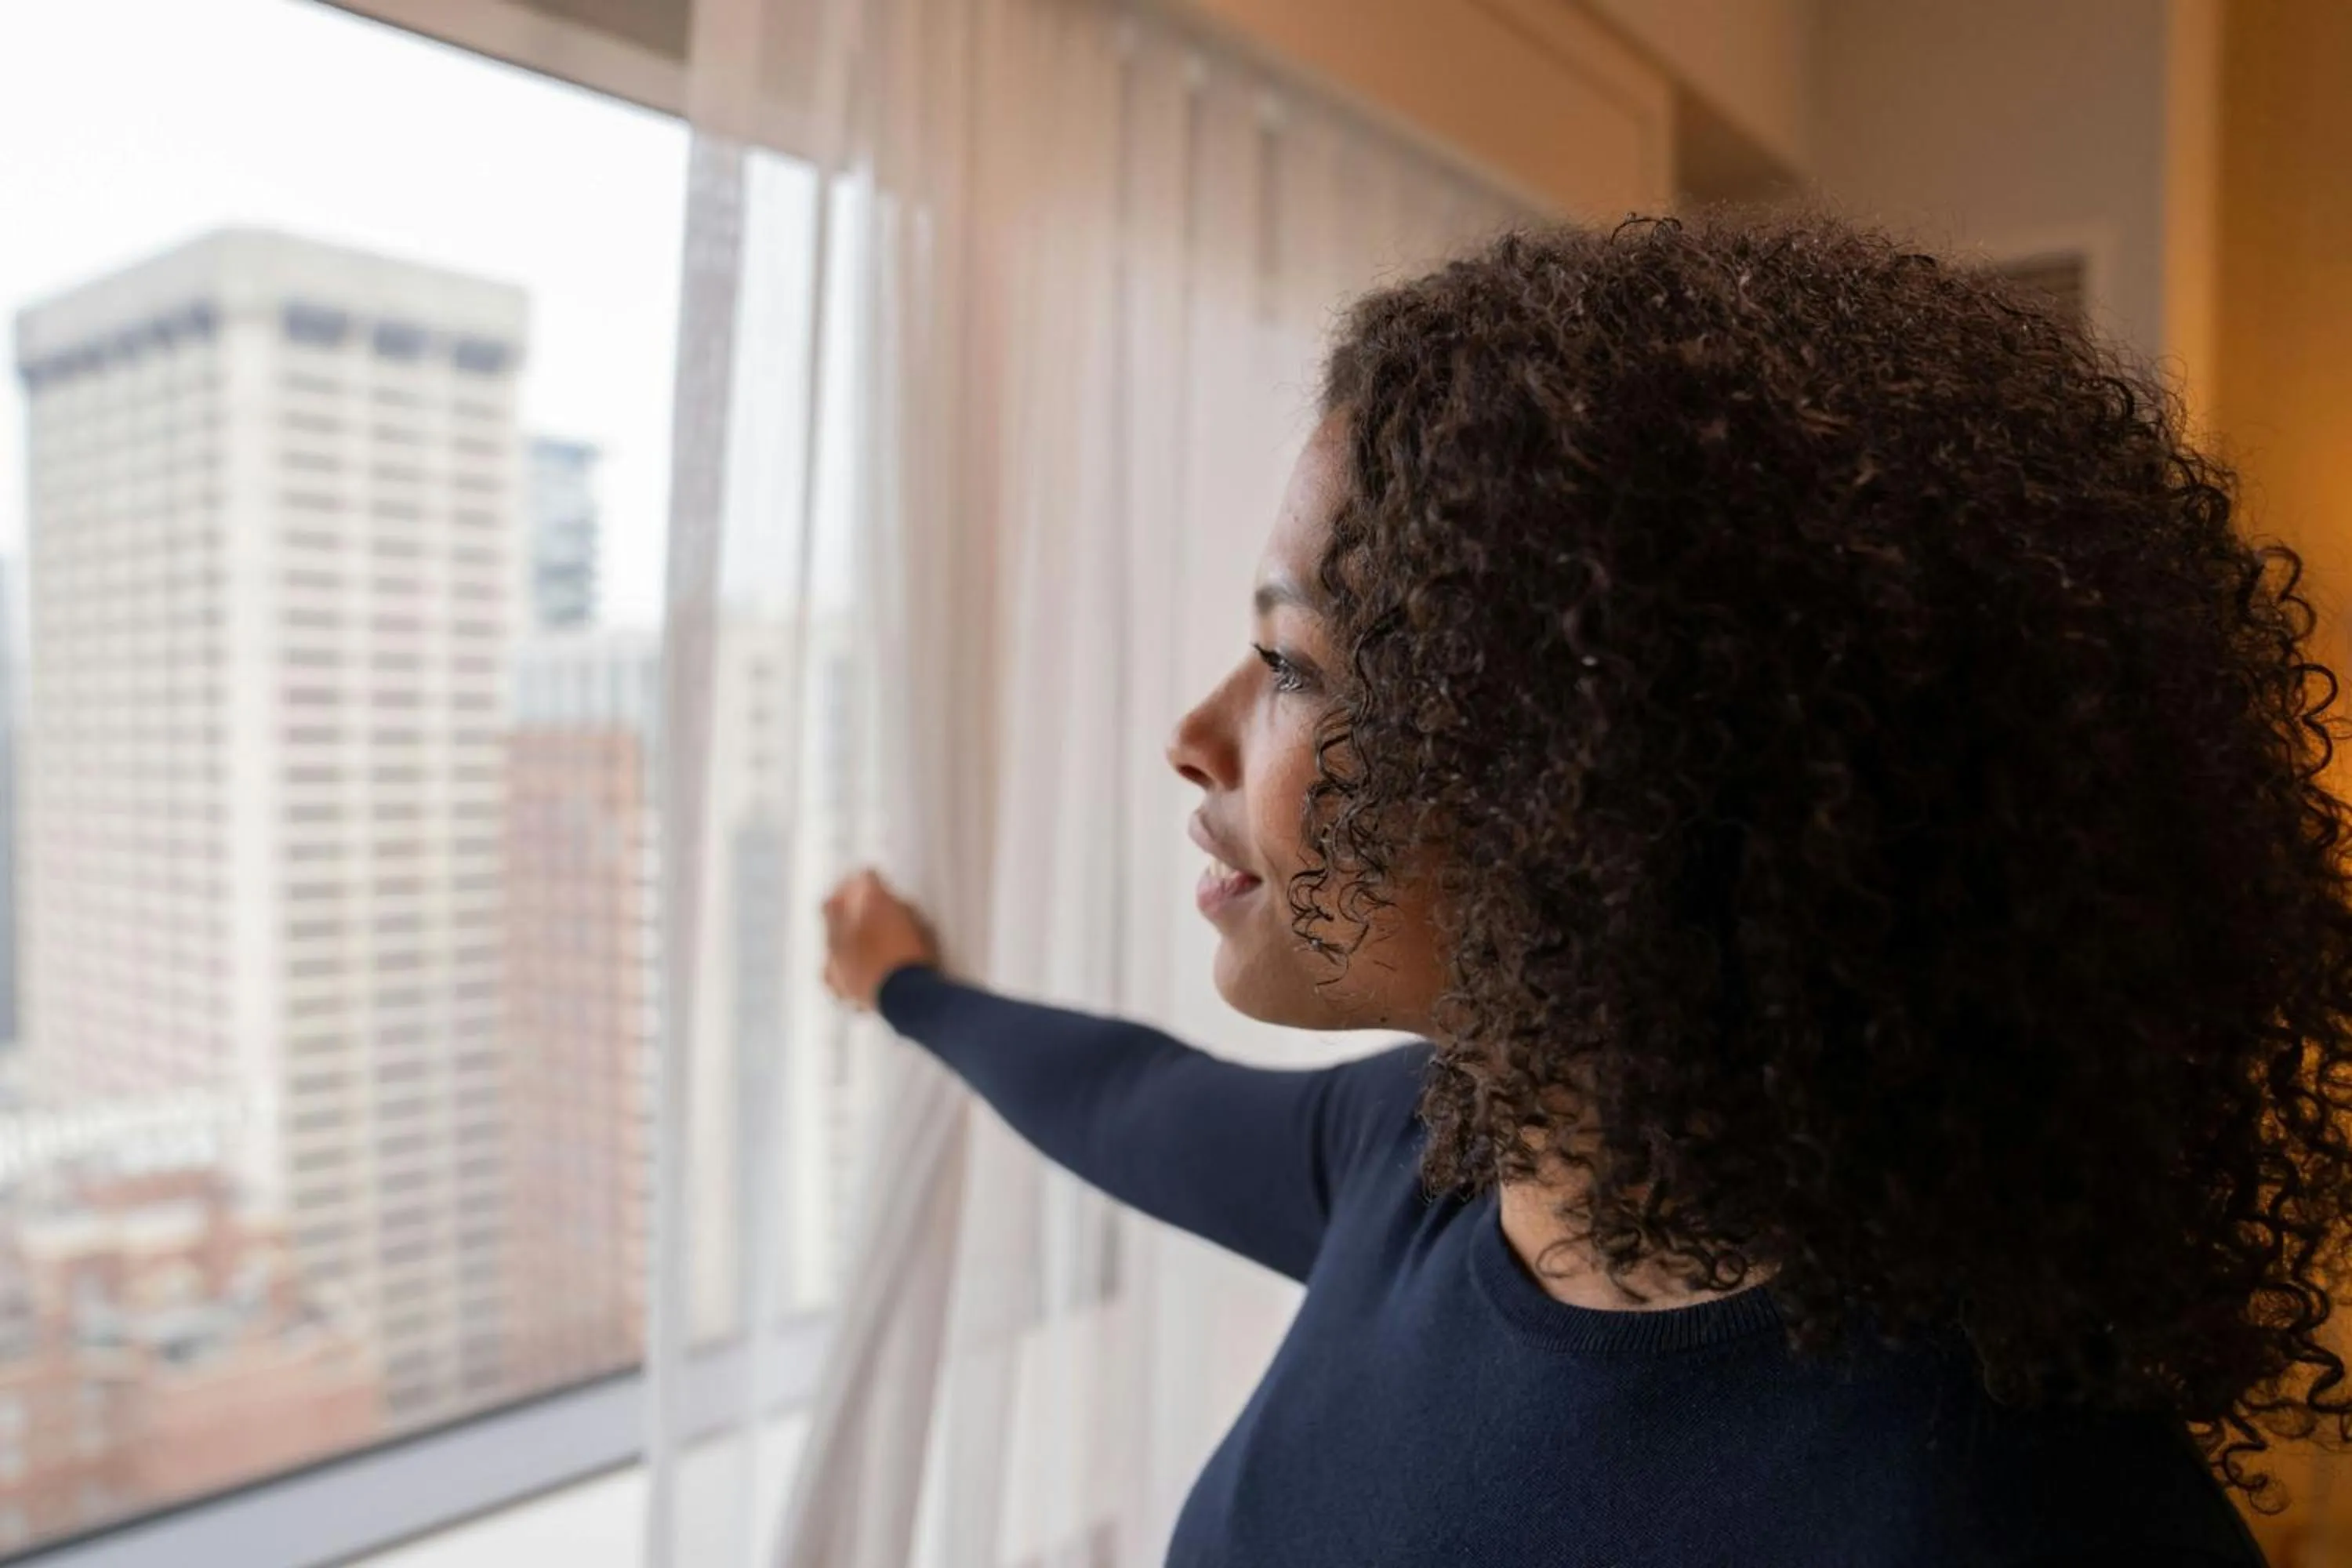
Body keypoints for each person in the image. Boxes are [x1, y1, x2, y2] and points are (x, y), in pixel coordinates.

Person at [819, 214, 2347, 1566]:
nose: (1194, 733)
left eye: (1289, 662)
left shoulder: (2024, 1522)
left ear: (1588, 785)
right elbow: (1130, 1101)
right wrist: (905, 986)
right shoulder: (1423, 1158)